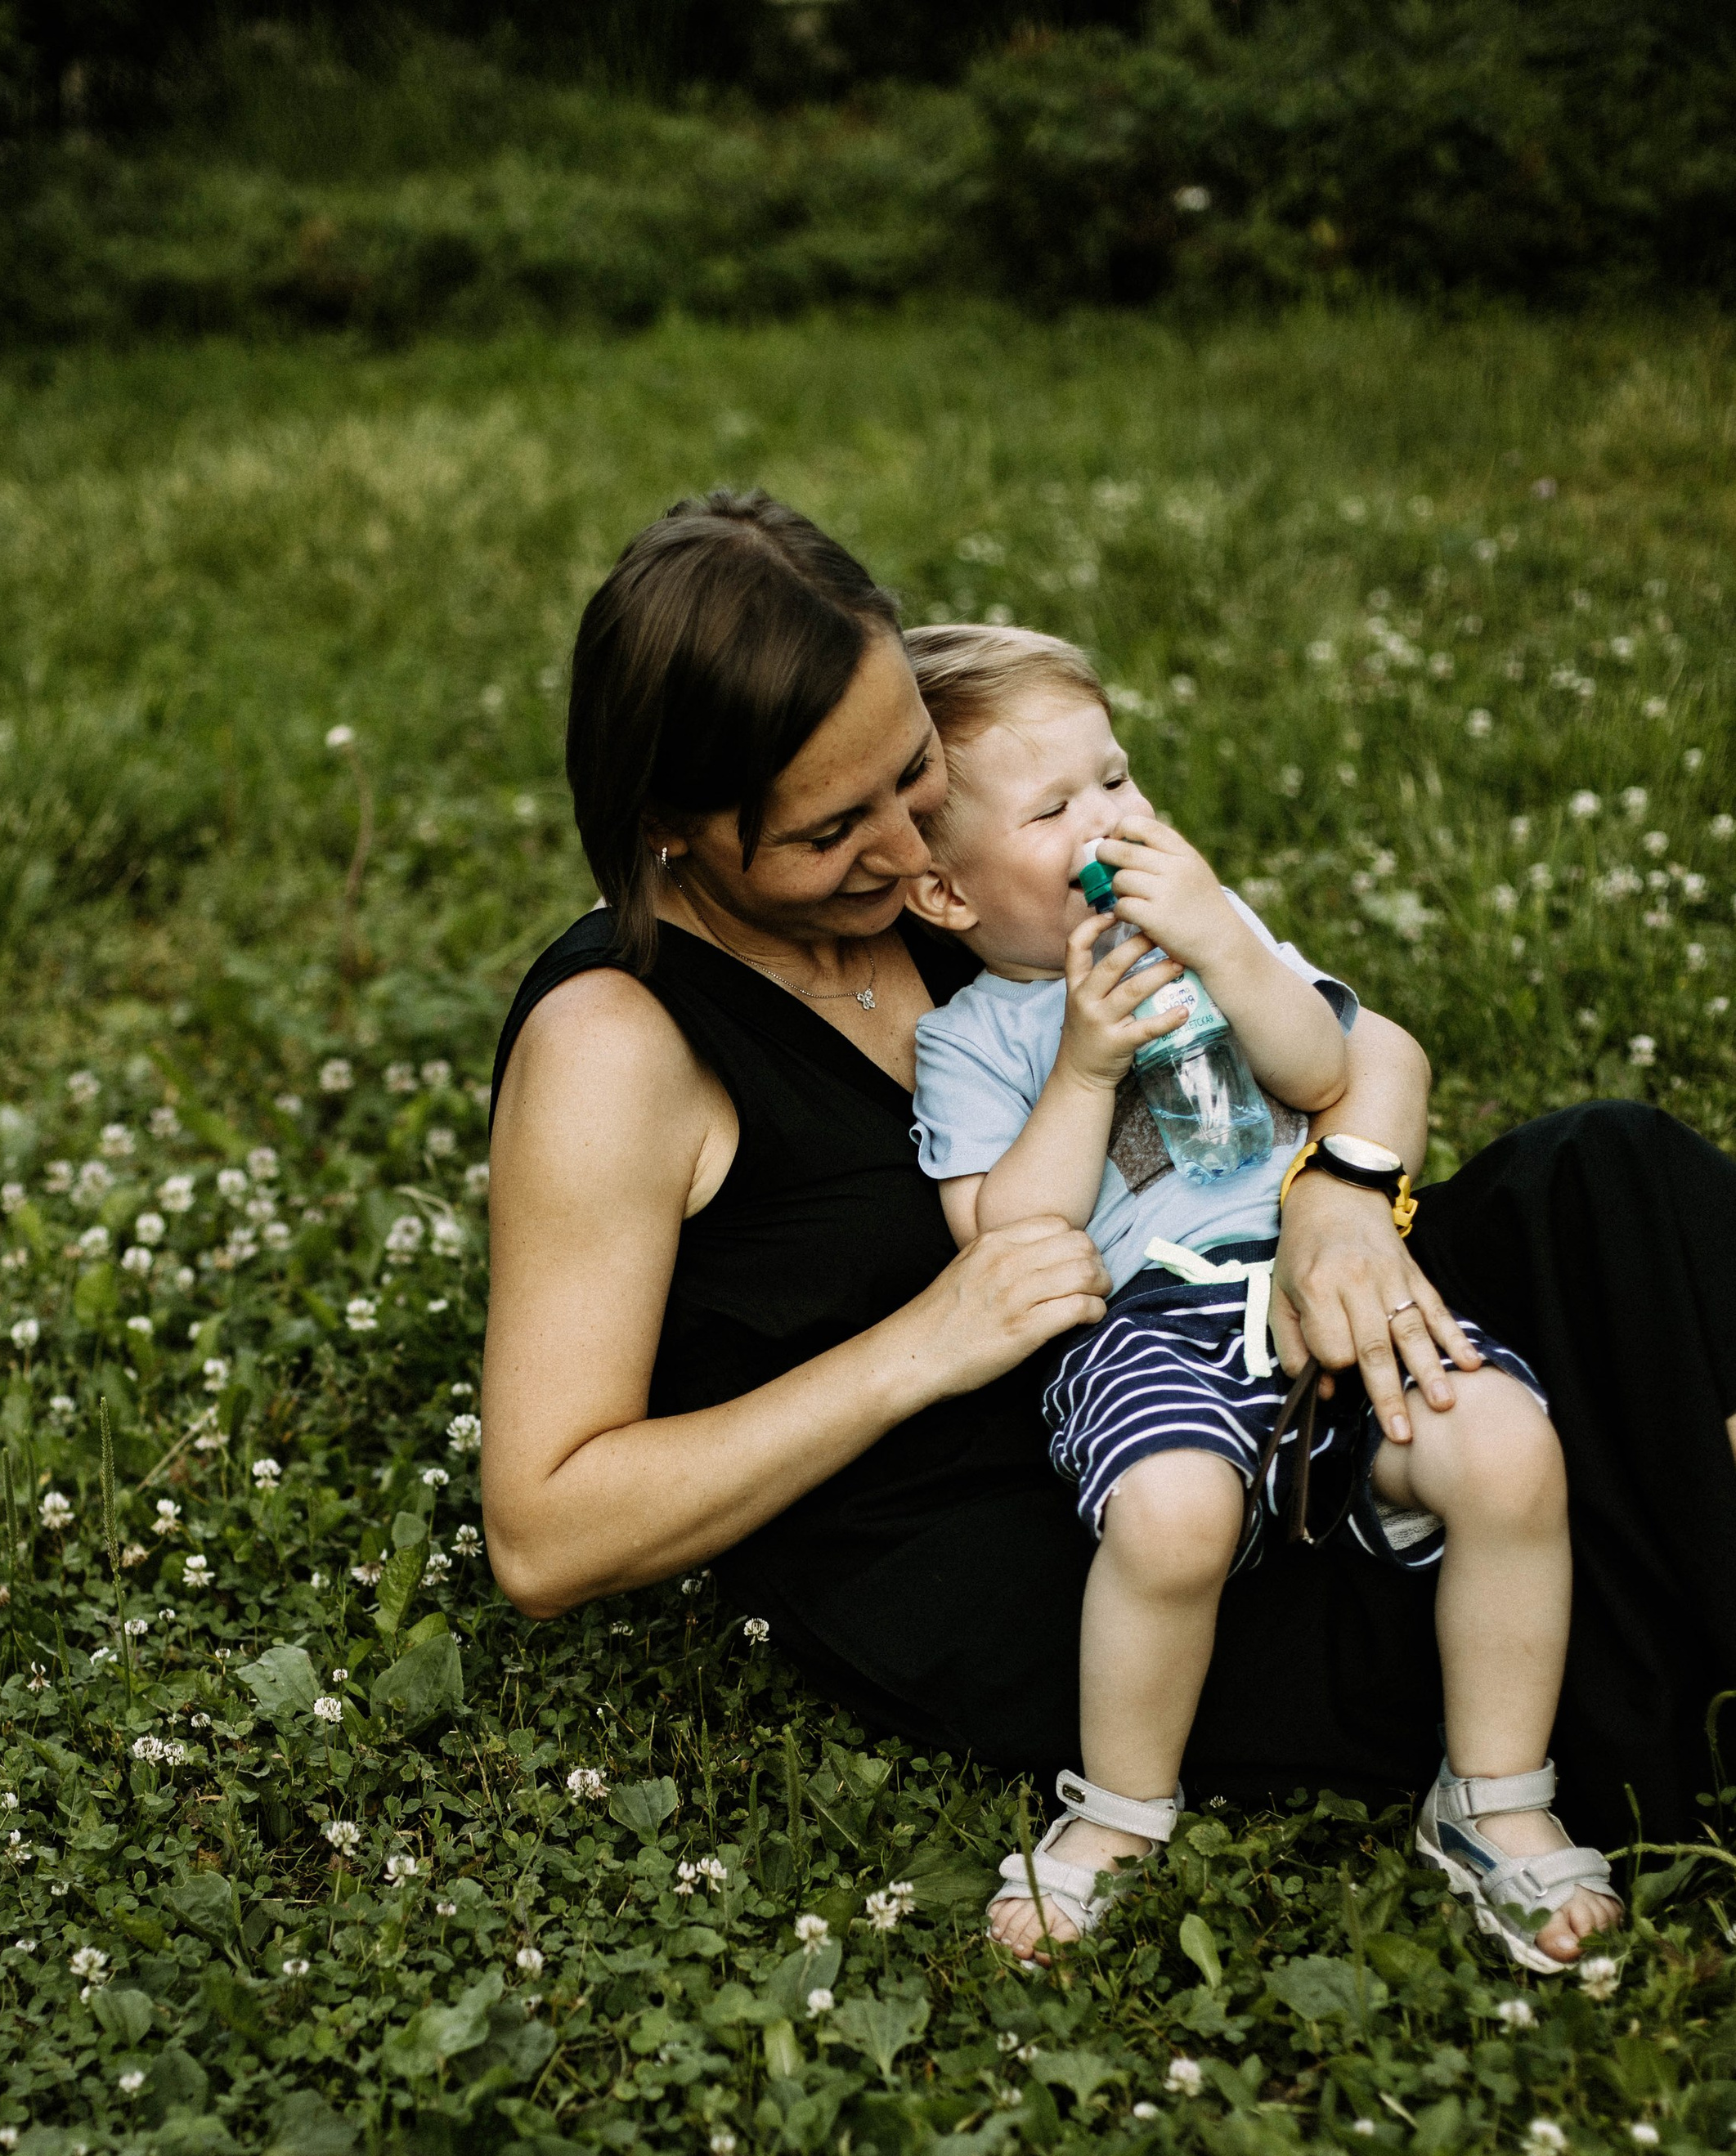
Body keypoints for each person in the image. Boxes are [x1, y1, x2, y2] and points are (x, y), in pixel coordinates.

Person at [481, 487, 1736, 1958]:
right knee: (1577, 1600)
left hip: (1240, 1318)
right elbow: (544, 1530)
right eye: (834, 831)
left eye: (916, 778)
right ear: (673, 836)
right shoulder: (617, 1047)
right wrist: (921, 1346)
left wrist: (1344, 1197)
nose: (903, 857)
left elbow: (1360, 1044)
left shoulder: (965, 889)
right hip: (1057, 1523)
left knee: (1607, 1172)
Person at [902, 624, 1617, 1969]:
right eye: (1057, 808)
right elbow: (1006, 1240)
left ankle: (1496, 1798)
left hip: (1328, 1278)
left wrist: (1231, 949)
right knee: (1172, 1518)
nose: (1111, 818)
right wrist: (1086, 1067)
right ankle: (1117, 1813)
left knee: (1510, 1451)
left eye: (1117, 778)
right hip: (1140, 1324)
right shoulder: (970, 1041)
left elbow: (1326, 1069)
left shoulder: (1219, 937)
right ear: (945, 897)